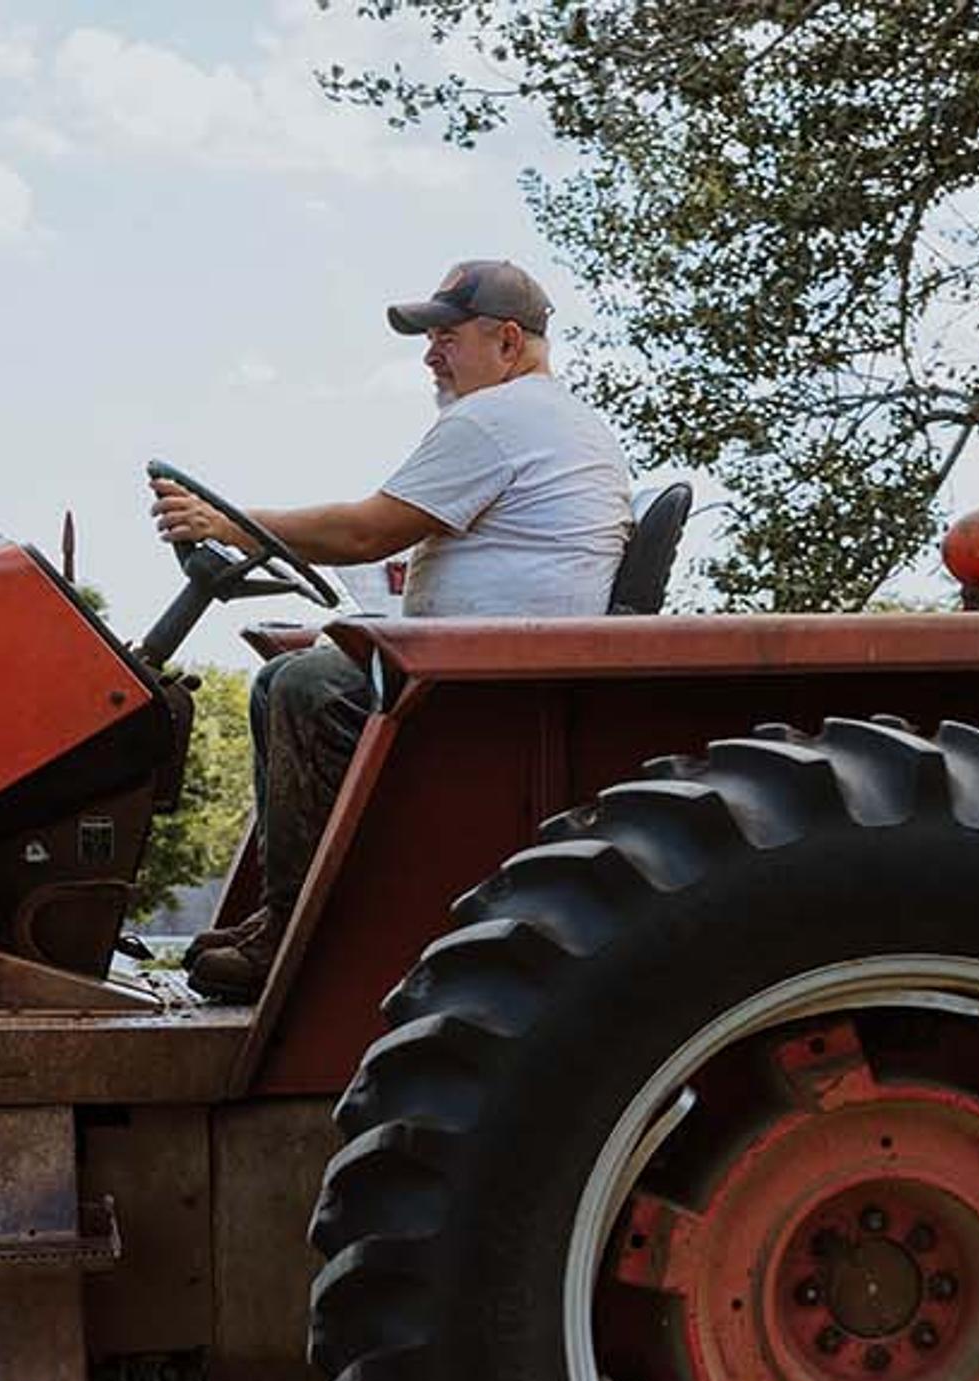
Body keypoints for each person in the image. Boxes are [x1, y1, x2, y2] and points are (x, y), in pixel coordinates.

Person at [150, 258, 633, 1002]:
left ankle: (302, 937)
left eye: (446, 336)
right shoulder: (541, 417)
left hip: (487, 687)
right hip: (488, 667)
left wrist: (232, 527)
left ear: (508, 341)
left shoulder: (502, 418)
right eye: (428, 338)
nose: (430, 354)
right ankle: (286, 911)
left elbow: (365, 531)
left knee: (308, 685)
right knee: (294, 672)